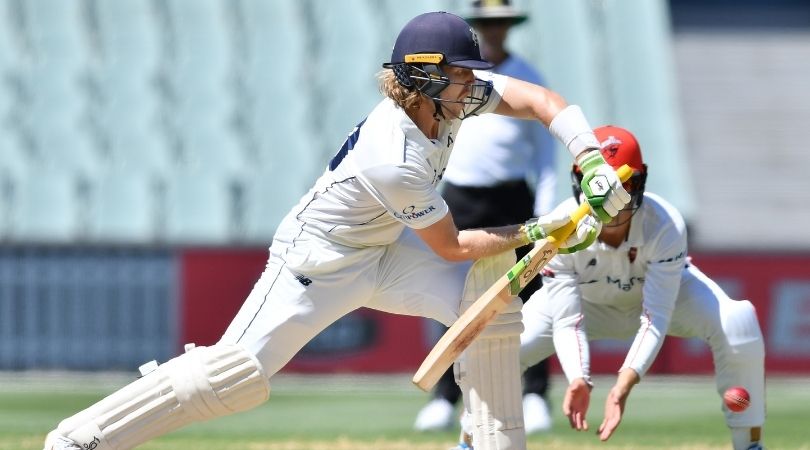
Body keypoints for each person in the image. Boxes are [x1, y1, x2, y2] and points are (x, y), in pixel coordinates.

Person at [44, 12, 630, 450]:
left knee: (489, 307)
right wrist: (541, 227)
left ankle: (486, 443)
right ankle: (81, 437)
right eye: (459, 76)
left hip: (383, 252)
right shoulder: (392, 153)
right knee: (233, 376)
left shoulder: (447, 101)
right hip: (316, 266)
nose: (473, 87)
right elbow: (451, 246)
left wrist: (590, 159)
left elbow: (541, 101)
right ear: (422, 78)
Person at [519, 125, 766, 450]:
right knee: (498, 346)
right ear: (578, 182)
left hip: (665, 301)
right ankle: (474, 439)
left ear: (640, 182)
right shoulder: (560, 225)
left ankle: (749, 445)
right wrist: (579, 378)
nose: (611, 204)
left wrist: (623, 385)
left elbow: (655, 316)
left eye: (623, 187)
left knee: (738, 320)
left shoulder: (664, 223)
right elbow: (568, 321)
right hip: (587, 306)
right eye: (601, 188)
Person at [413, 0, 555, 435]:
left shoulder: (528, 76)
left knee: (529, 292)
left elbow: (545, 152)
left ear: (510, 26)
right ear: (476, 27)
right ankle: (445, 397)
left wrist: (545, 207)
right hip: (460, 196)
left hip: (513, 197)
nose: (495, 32)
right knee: (452, 295)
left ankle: (532, 394)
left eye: (502, 23)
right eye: (487, 24)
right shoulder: (456, 77)